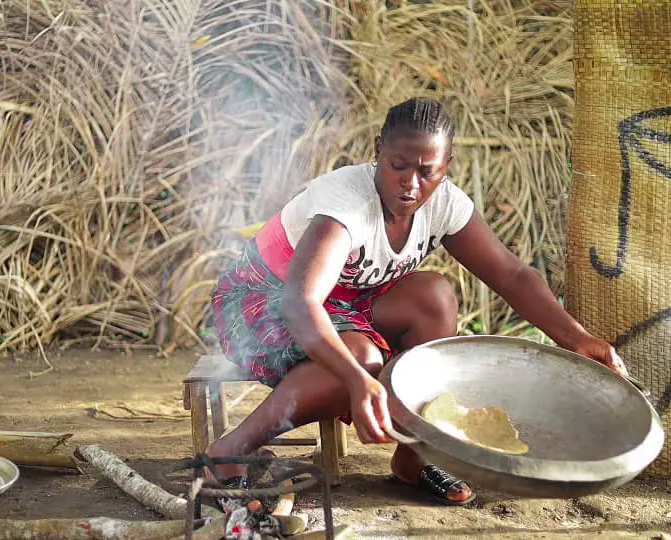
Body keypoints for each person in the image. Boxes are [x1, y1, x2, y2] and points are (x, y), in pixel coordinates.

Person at [206, 97, 628, 506]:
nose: (410, 183)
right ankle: (228, 453)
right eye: (398, 166)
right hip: (261, 303)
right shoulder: (345, 205)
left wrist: (576, 339)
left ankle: (413, 459)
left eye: (427, 171)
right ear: (378, 153)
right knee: (358, 357)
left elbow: (511, 274)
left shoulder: (444, 203)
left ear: (446, 168)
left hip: (345, 302)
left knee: (434, 298)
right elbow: (301, 303)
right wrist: (357, 380)